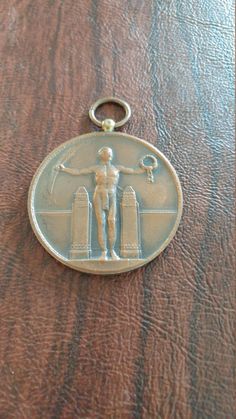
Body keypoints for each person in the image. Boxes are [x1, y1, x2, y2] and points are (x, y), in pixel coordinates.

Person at [59, 147, 145, 260]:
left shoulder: (117, 168)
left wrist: (146, 169)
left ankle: (112, 251)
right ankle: (104, 252)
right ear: (101, 155)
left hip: (112, 195)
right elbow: (79, 172)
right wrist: (64, 169)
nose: (108, 154)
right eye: (105, 153)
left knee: (112, 221)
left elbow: (133, 171)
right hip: (99, 194)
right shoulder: (96, 168)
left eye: (109, 153)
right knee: (101, 223)